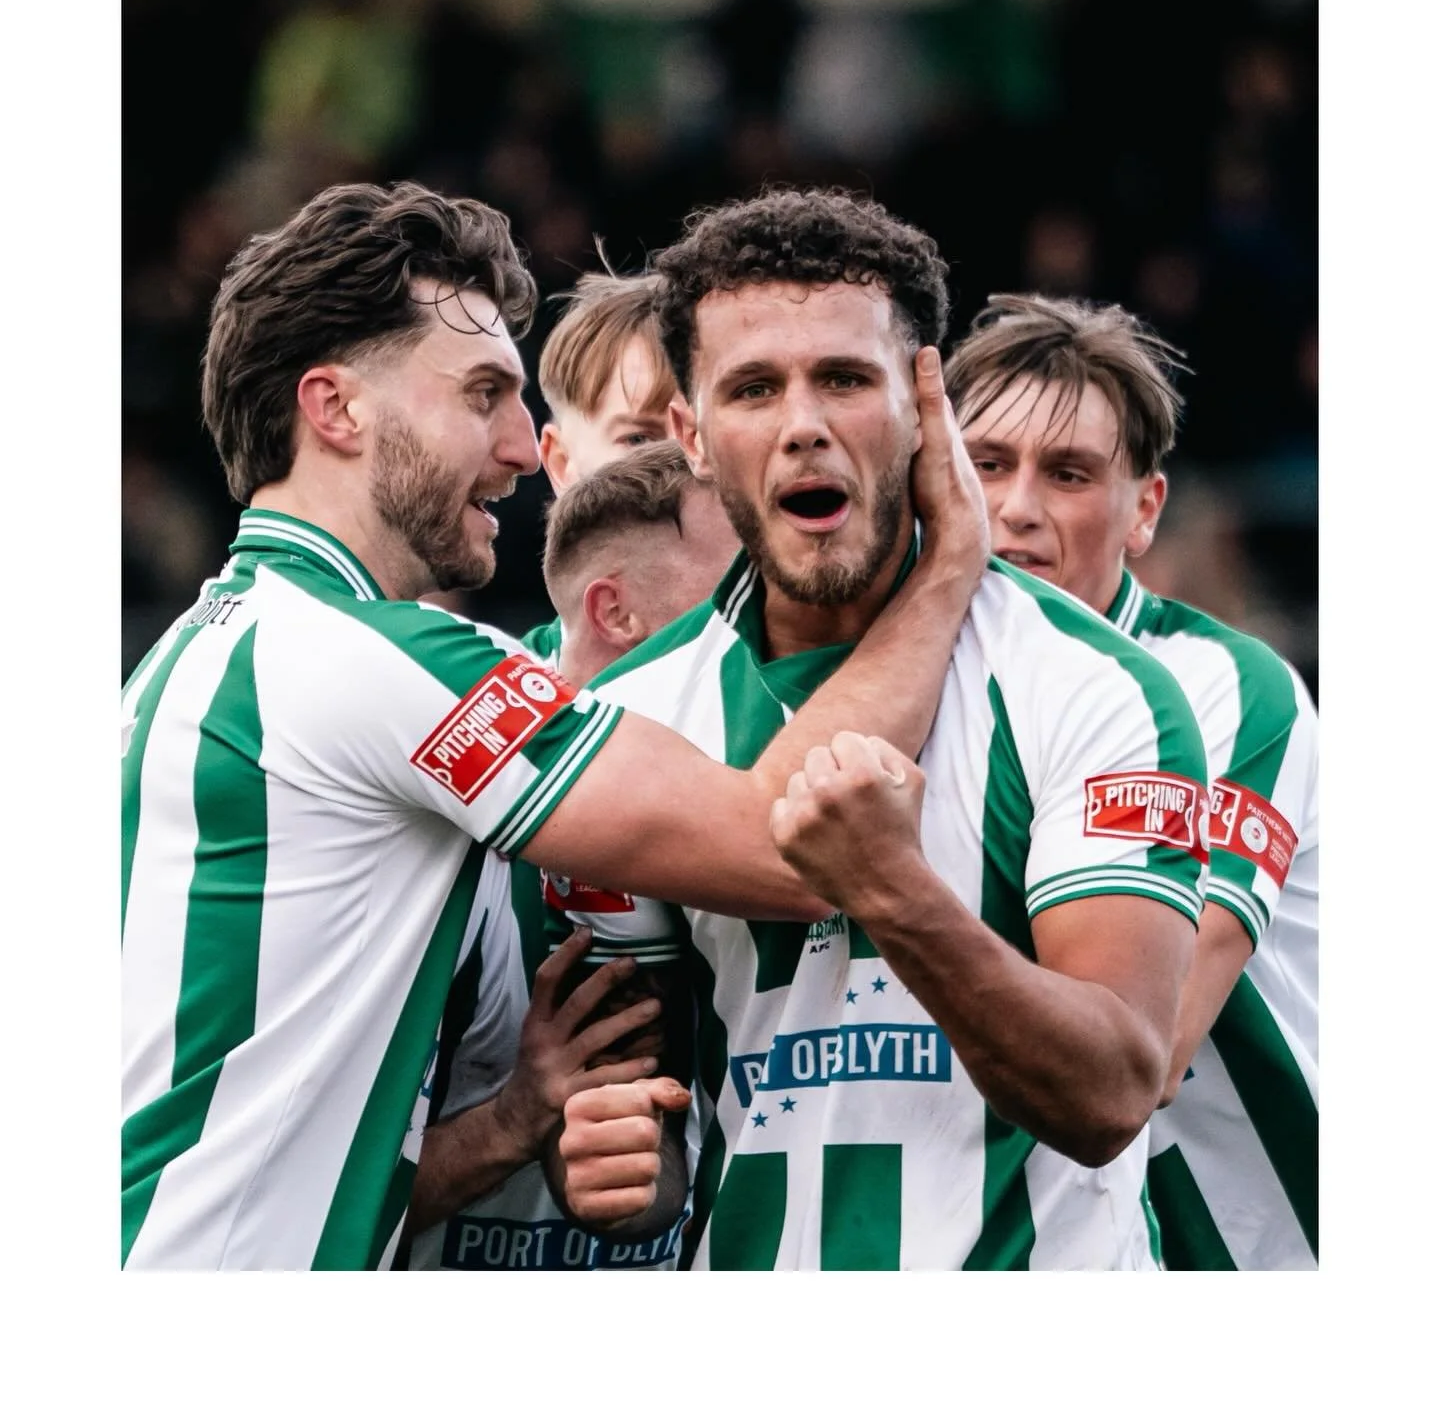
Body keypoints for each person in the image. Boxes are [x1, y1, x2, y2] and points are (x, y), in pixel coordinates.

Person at [120, 180, 985, 1270]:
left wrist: (509, 1123)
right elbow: (793, 842)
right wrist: (951, 566)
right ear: (335, 409)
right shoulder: (378, 663)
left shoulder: (181, 667)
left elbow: (276, 1157)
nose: (526, 449)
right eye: (483, 394)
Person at [553, 188, 1209, 1270]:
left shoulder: (1100, 689)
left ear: (923, 407)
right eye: (753, 388)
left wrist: (894, 891)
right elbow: (649, 1103)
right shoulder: (630, 715)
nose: (804, 423)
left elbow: (1112, 1090)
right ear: (693, 438)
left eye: (845, 380)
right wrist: (619, 1164)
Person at [944, 292, 1318, 1270]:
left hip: (1250, 1262)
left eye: (1067, 474)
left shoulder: (1221, 690)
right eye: (985, 464)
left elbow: (1150, 1045)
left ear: (1144, 510)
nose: (1016, 506)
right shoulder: (904, 686)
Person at [402, 444, 735, 1270]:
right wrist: (513, 1120)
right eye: (736, 592)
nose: (763, 620)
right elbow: (277, 1188)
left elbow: (646, 1153)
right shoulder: (426, 759)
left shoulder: (732, 760)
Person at [523, 266, 680, 662]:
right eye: (639, 439)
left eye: (702, 436)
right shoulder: (506, 690)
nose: (686, 463)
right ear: (561, 462)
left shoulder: (811, 659)